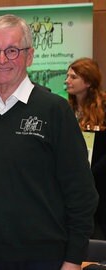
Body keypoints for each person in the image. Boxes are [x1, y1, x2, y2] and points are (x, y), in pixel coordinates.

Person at [0, 14, 98, 270]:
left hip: (48, 259)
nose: (2, 60)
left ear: (29, 55)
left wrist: (73, 259)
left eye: (12, 50)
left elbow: (81, 193)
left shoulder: (55, 111)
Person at [65, 57, 106, 238]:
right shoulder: (65, 109)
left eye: (73, 77)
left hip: (101, 182)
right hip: (75, 182)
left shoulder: (104, 106)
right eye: (67, 76)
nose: (67, 81)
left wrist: (92, 171)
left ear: (88, 81)